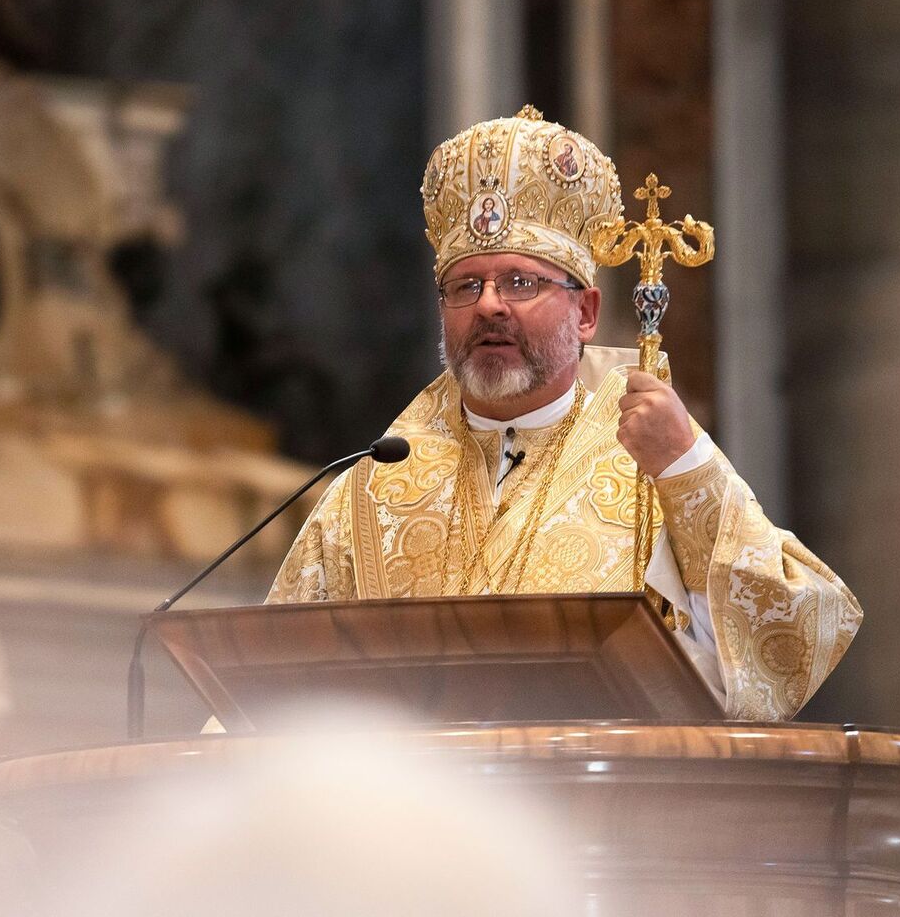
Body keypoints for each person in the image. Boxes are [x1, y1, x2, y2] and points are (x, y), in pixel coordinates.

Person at [267, 106, 862, 721]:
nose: (490, 306)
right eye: (465, 287)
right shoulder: (373, 482)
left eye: (521, 282)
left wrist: (688, 469)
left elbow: (790, 632)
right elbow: (265, 685)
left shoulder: (656, 460)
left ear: (585, 314)